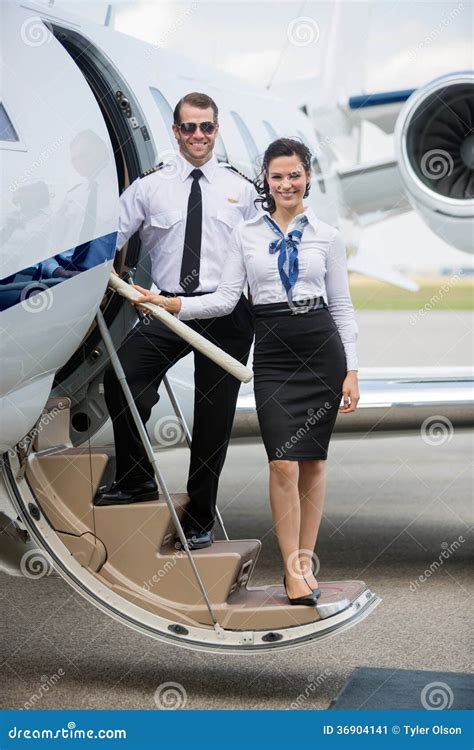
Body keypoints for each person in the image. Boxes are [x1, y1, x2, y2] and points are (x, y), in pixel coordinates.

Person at [134, 138, 360, 606]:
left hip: (322, 350)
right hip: (274, 352)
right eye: (277, 177)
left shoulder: (328, 236)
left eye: (294, 175)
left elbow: (341, 305)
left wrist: (351, 370)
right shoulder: (247, 234)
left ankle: (301, 566)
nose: (286, 184)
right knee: (281, 463)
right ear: (267, 182)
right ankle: (291, 569)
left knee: (314, 463)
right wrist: (169, 302)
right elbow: (223, 299)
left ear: (307, 178)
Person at [96, 92, 258, 552]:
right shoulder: (151, 188)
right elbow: (108, 236)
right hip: (166, 306)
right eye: (189, 127)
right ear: (175, 131)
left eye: (206, 127)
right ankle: (136, 479)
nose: (198, 136)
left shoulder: (240, 190)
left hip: (226, 314)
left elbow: (261, 254)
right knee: (122, 378)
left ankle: (200, 519)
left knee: (212, 420)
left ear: (216, 129)